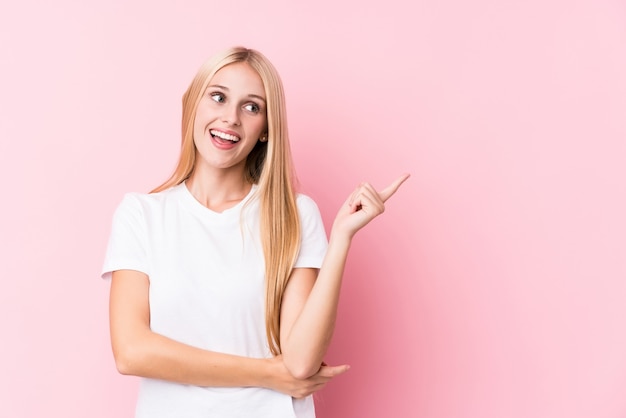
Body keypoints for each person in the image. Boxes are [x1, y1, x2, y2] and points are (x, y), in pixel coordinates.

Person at [102, 46, 408, 418]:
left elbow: (298, 364)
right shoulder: (141, 215)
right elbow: (132, 352)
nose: (230, 118)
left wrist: (341, 238)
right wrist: (267, 374)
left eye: (252, 107)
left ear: (265, 129)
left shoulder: (293, 214)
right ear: (194, 105)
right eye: (218, 97)